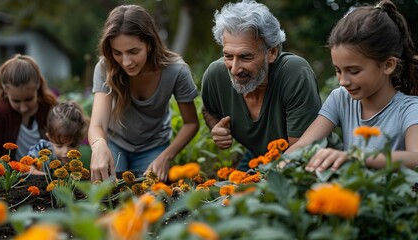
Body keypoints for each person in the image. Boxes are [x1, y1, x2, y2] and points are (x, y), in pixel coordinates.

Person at [285, 0, 418, 172]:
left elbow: (415, 157)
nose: (343, 81)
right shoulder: (340, 98)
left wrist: (356, 156)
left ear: (388, 65)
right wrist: (269, 175)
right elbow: (303, 145)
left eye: (353, 71)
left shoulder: (409, 109)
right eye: (338, 70)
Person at [201, 0, 322, 171]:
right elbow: (208, 109)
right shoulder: (216, 75)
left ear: (272, 52)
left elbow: (299, 155)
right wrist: (217, 128)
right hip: (259, 158)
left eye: (245, 57)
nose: (234, 69)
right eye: (228, 56)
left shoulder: (294, 73)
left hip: (314, 162)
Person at [88, 5, 199, 182]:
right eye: (117, 53)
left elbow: (191, 123)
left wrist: (165, 157)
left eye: (134, 51)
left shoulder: (176, 70)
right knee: (107, 191)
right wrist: (99, 145)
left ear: (149, 44)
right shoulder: (105, 67)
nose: (126, 62)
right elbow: (97, 125)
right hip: (116, 144)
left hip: (154, 147)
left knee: (150, 197)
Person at [0, 54, 57, 159]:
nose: (23, 107)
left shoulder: (49, 108)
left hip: (46, 174)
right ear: (5, 89)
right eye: (16, 101)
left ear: (38, 85)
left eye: (29, 99)